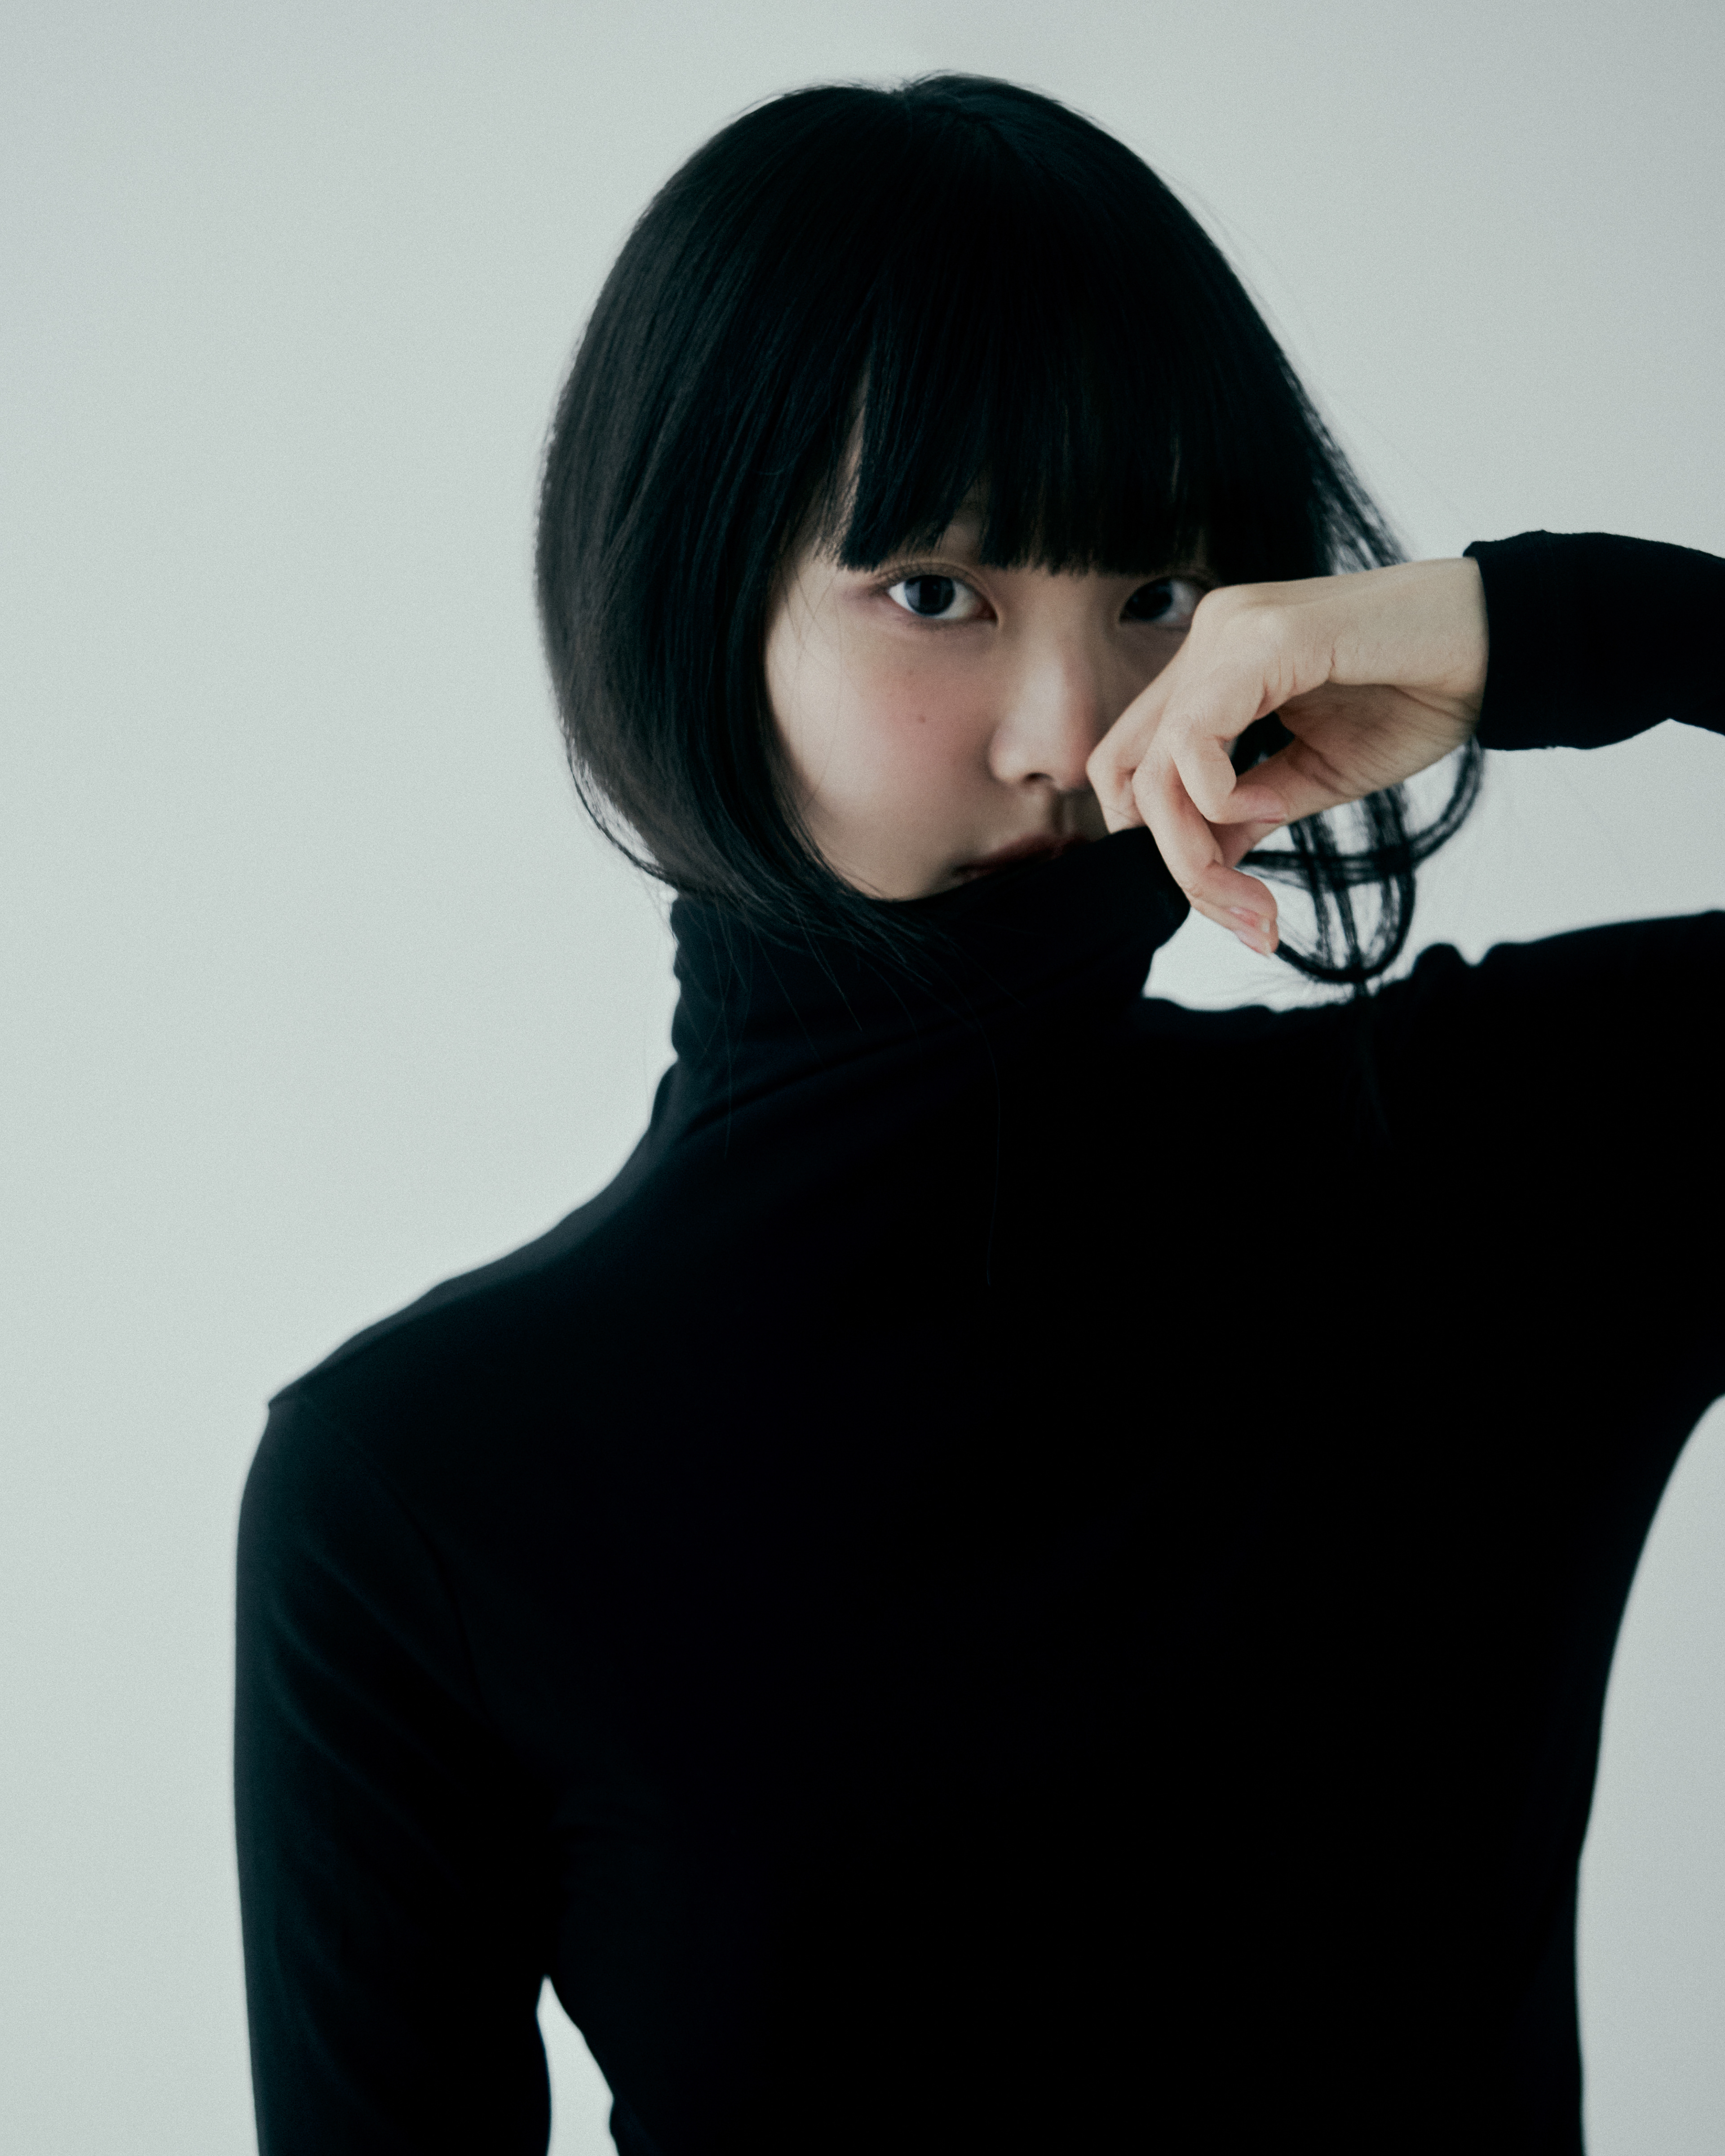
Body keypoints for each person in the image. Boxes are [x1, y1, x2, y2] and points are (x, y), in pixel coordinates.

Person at [233, 73, 1723, 2156]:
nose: (1074, 729)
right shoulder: (424, 1489)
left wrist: (1538, 627)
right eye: (936, 590)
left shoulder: (1495, 1176)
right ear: (698, 600)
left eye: (1160, 595)